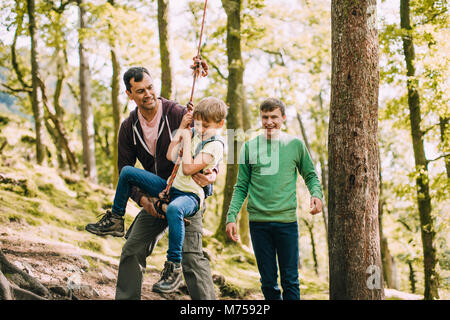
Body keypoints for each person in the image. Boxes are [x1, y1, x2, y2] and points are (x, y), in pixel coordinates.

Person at [85, 67, 218, 299]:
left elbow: (210, 137)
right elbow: (124, 171)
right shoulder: (129, 127)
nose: (148, 94)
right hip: (159, 194)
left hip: (188, 194)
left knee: (191, 257)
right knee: (132, 249)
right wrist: (144, 200)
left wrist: (213, 173)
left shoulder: (177, 113)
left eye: (150, 87)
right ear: (129, 94)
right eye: (140, 91)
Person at [225, 98, 323, 300]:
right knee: (268, 282)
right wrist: (231, 216)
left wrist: (316, 194)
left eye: (274, 117)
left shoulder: (295, 145)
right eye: (265, 117)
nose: (269, 121)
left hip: (287, 223)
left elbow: (311, 175)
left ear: (283, 118)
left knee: (290, 280)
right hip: (259, 225)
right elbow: (241, 186)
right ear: (261, 118)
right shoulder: (249, 148)